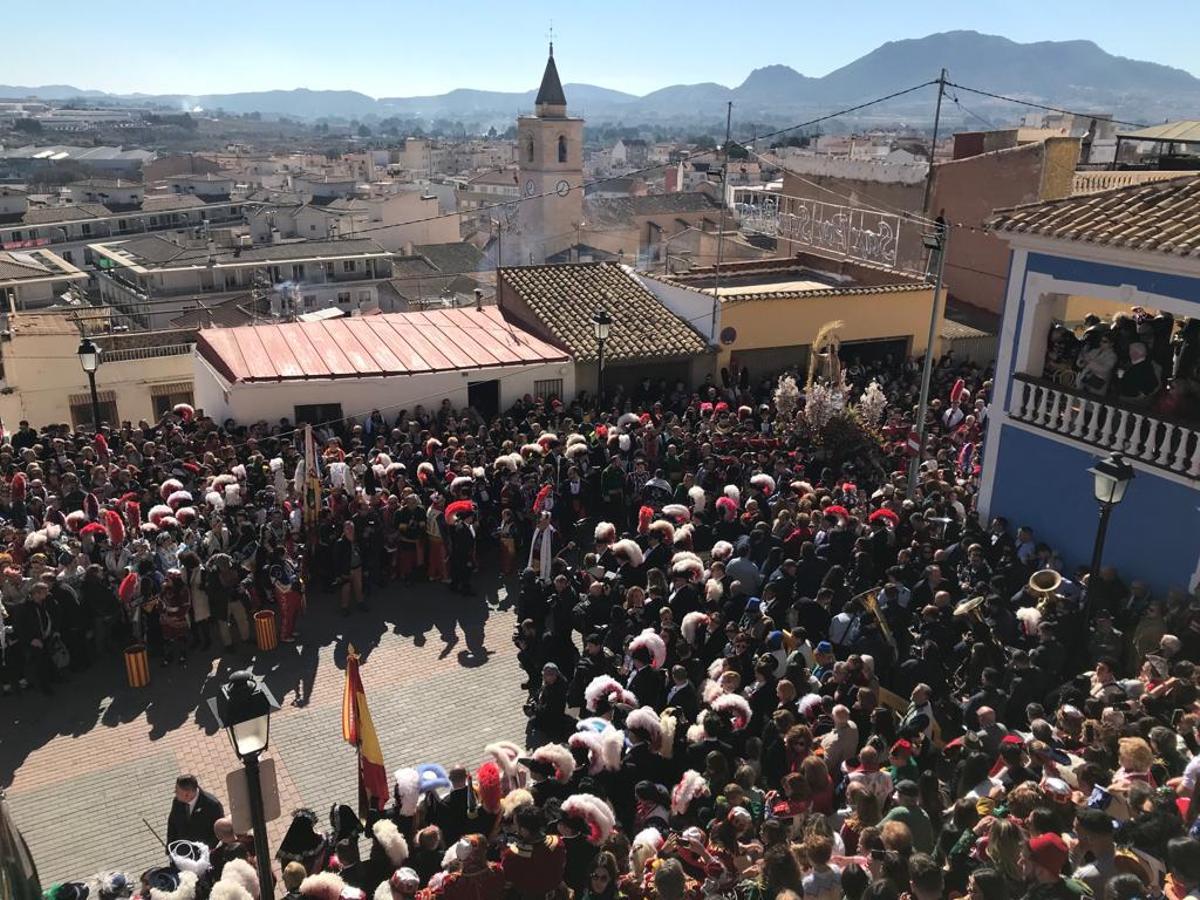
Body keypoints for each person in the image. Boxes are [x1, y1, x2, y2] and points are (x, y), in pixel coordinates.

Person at [166, 774, 225, 847]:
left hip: (202, 853)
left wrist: (205, 850)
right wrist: (169, 847)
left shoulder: (213, 806)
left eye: (177, 791)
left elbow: (219, 831)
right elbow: (172, 823)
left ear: (187, 794)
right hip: (181, 851)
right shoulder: (177, 801)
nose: (175, 793)